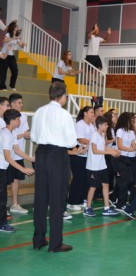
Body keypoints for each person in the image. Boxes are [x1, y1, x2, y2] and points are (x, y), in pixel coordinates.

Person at [31, 82, 77, 252]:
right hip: (57, 155)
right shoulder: (63, 114)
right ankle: (55, 243)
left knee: (41, 197)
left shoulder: (39, 111)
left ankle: (38, 239)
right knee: (57, 198)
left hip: (41, 153)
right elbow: (71, 141)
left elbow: (34, 136)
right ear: (63, 96)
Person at [0, 109, 34, 233]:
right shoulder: (5, 134)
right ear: (13, 120)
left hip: (2, 168)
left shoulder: (12, 133)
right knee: (2, 198)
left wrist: (32, 159)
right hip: (0, 168)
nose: (20, 121)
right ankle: (2, 224)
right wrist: (23, 169)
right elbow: (8, 157)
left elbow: (17, 150)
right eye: (18, 119)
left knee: (2, 196)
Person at [83, 116, 120, 217]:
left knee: (106, 185)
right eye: (105, 125)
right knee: (93, 186)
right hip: (94, 166)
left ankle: (107, 208)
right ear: (99, 125)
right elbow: (95, 150)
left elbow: (102, 147)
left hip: (101, 165)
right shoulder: (94, 135)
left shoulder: (102, 135)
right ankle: (87, 207)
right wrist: (109, 153)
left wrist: (112, 150)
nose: (107, 126)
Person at [7, 94, 30, 214]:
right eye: (19, 103)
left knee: (17, 179)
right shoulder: (5, 118)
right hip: (8, 154)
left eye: (22, 103)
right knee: (5, 180)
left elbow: (26, 134)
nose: (21, 105)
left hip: (18, 153)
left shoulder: (24, 117)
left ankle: (15, 204)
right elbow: (10, 134)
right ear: (12, 104)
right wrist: (22, 135)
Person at [0, 21, 26, 91]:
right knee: (3, 71)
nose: (17, 27)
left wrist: (23, 44)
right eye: (16, 26)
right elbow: (4, 41)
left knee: (15, 70)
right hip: (4, 54)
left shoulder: (17, 37)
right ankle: (2, 87)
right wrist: (13, 38)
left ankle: (12, 86)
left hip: (11, 55)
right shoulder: (8, 34)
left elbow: (21, 45)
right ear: (13, 28)